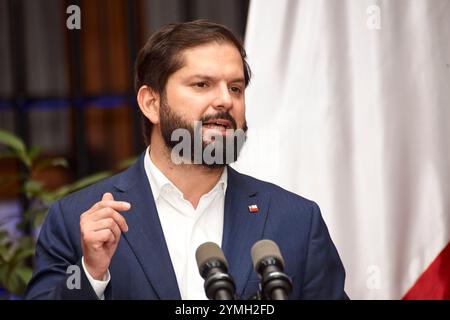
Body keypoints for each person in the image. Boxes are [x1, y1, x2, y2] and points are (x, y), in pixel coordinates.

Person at [25, 20, 348, 300]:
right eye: (202, 84)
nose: (225, 100)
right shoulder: (77, 219)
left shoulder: (296, 221)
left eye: (235, 88)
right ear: (151, 103)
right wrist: (91, 273)